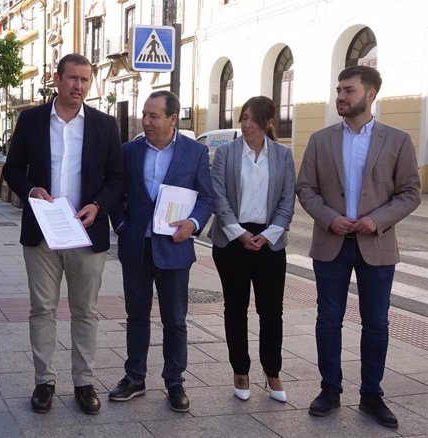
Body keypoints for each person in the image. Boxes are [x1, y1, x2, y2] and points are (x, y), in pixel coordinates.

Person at [296, 65, 420, 428]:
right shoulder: (321, 140)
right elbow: (306, 188)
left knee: (376, 323)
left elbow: (410, 192)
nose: (340, 97)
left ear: (370, 94)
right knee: (328, 320)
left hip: (376, 244)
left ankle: (371, 395)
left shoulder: (397, 140)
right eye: (338, 90)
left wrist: (377, 220)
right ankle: (329, 390)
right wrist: (328, 217)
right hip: (331, 241)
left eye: (348, 91)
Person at [3, 53, 123, 415]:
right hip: (43, 231)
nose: (79, 86)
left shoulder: (104, 125)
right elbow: (12, 169)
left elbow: (117, 179)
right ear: (56, 79)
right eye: (73, 78)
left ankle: (84, 383)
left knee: (85, 310)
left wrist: (99, 206)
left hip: (86, 232)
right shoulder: (31, 120)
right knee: (42, 308)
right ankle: (45, 382)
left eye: (86, 80)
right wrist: (31, 190)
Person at [108, 90, 214, 413]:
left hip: (175, 248)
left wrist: (193, 224)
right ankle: (134, 377)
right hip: (137, 248)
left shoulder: (195, 153)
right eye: (144, 114)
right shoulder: (128, 151)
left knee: (175, 320)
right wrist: (122, 226)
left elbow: (207, 198)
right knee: (136, 316)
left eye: (154, 116)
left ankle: (175, 382)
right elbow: (116, 192)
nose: (146, 121)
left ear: (172, 119)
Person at [208, 96, 295, 403]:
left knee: (272, 310)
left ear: (267, 123)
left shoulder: (283, 155)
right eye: (243, 117)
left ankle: (272, 370)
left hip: (270, 241)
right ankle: (240, 370)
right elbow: (218, 196)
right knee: (235, 307)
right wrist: (239, 233)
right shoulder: (226, 153)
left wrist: (269, 234)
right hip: (233, 239)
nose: (246, 125)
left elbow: (287, 199)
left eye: (252, 119)